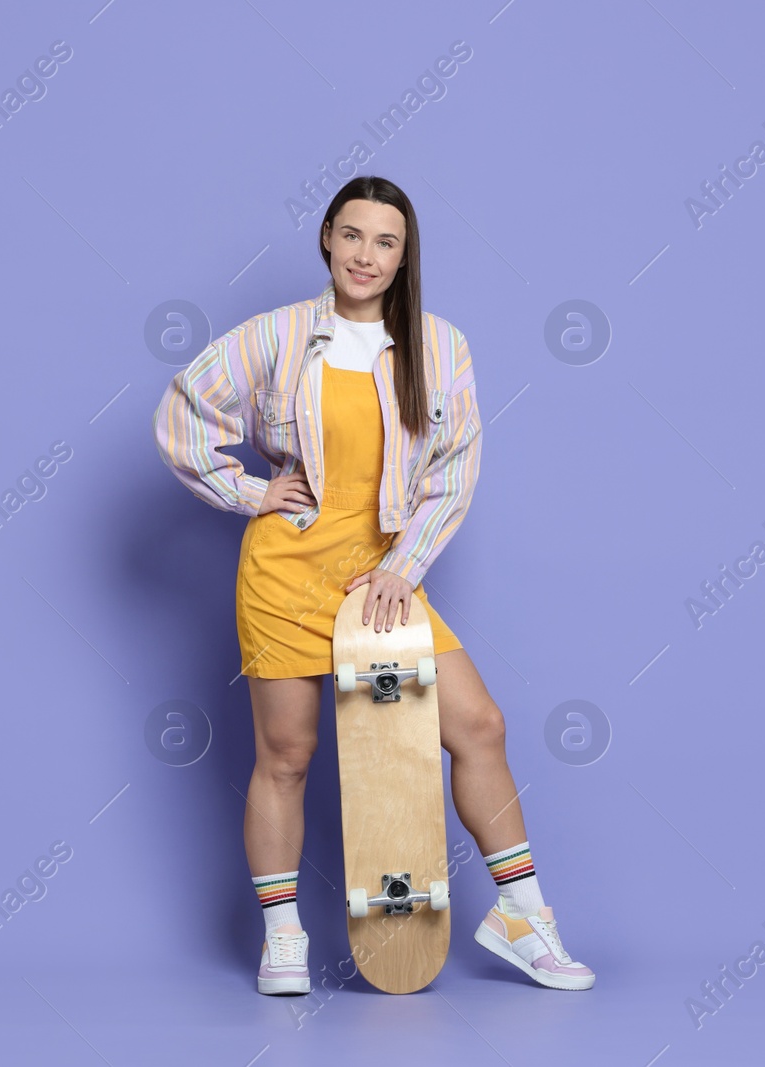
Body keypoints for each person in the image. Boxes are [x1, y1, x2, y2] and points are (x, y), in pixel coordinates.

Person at [152, 175, 594, 995]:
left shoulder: (440, 347)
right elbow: (184, 415)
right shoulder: (276, 338)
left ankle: (522, 916)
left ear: (403, 255)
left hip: (381, 584)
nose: (366, 255)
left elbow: (453, 473)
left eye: (385, 242)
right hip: (284, 576)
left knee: (480, 726)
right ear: (326, 238)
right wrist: (251, 492)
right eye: (352, 235)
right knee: (286, 755)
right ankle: (283, 937)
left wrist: (402, 566)